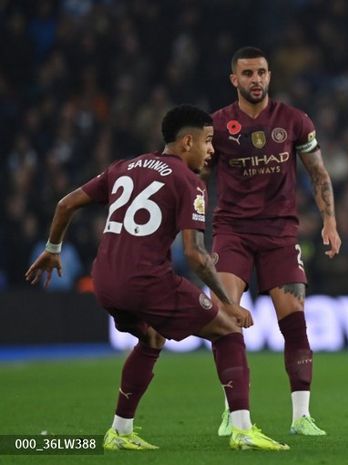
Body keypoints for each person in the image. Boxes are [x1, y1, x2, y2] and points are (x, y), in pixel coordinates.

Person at [25, 105, 290, 451]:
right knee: (228, 330)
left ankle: (120, 432)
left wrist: (52, 247)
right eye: (208, 142)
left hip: (104, 281)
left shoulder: (124, 167)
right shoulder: (188, 181)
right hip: (147, 281)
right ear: (187, 142)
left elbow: (65, 204)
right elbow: (195, 255)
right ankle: (243, 431)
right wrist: (229, 303)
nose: (212, 150)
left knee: (151, 338)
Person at [207, 46, 341, 437]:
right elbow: (196, 179)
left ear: (270, 75)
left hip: (281, 233)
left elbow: (319, 174)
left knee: (295, 325)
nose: (256, 80)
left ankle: (301, 417)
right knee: (225, 321)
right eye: (248, 73)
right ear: (234, 79)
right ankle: (233, 413)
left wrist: (330, 221)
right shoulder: (216, 126)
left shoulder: (294, 121)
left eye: (262, 72)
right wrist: (191, 229)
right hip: (232, 231)